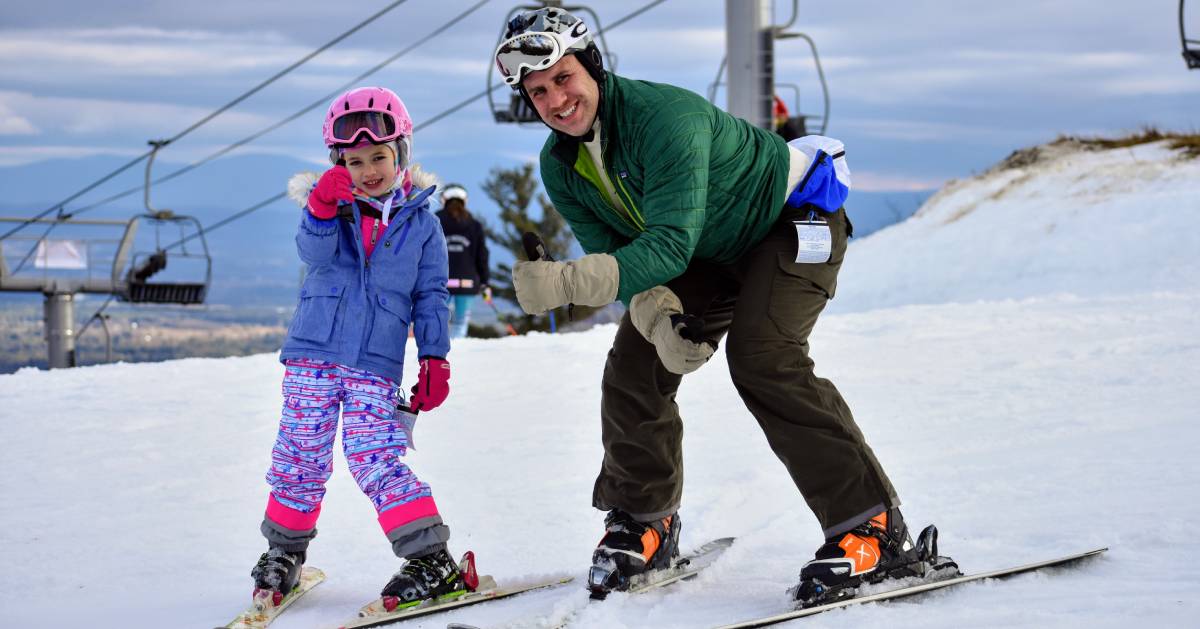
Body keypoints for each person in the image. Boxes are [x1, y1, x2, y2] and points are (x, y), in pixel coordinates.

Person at [495, 8, 934, 603]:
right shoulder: (561, 163)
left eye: (563, 78)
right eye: (537, 91)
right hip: (709, 252)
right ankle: (644, 523)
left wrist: (568, 282)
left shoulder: (664, 118)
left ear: (592, 67)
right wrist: (659, 319)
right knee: (633, 362)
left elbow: (667, 242)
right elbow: (624, 259)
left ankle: (873, 528)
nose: (555, 99)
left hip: (790, 224)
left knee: (764, 356)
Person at [252, 86, 464, 611]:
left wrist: (434, 358)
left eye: (379, 157)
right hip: (313, 354)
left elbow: (431, 295)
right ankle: (284, 552)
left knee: (376, 458)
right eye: (354, 161)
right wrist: (324, 206)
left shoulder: (423, 224)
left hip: (375, 363)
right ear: (337, 164)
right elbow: (313, 253)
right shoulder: (327, 212)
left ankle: (430, 558)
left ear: (401, 156)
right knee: (299, 453)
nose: (368, 170)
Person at [435, 184, 490, 339]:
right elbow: (482, 256)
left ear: (443, 199)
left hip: (441, 282)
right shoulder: (475, 225)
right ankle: (458, 351)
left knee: (438, 320)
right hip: (468, 282)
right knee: (460, 323)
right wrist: (485, 282)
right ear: (464, 200)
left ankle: (439, 351)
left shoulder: (435, 222)